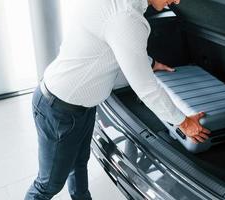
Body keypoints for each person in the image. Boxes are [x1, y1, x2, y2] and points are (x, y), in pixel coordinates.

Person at [25, 0, 211, 199]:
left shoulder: (121, 7)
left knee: (78, 164)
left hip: (78, 106)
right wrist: (183, 122)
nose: (177, 1)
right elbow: (146, 89)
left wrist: (151, 63)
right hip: (59, 110)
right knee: (48, 186)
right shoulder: (126, 16)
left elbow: (118, 45)